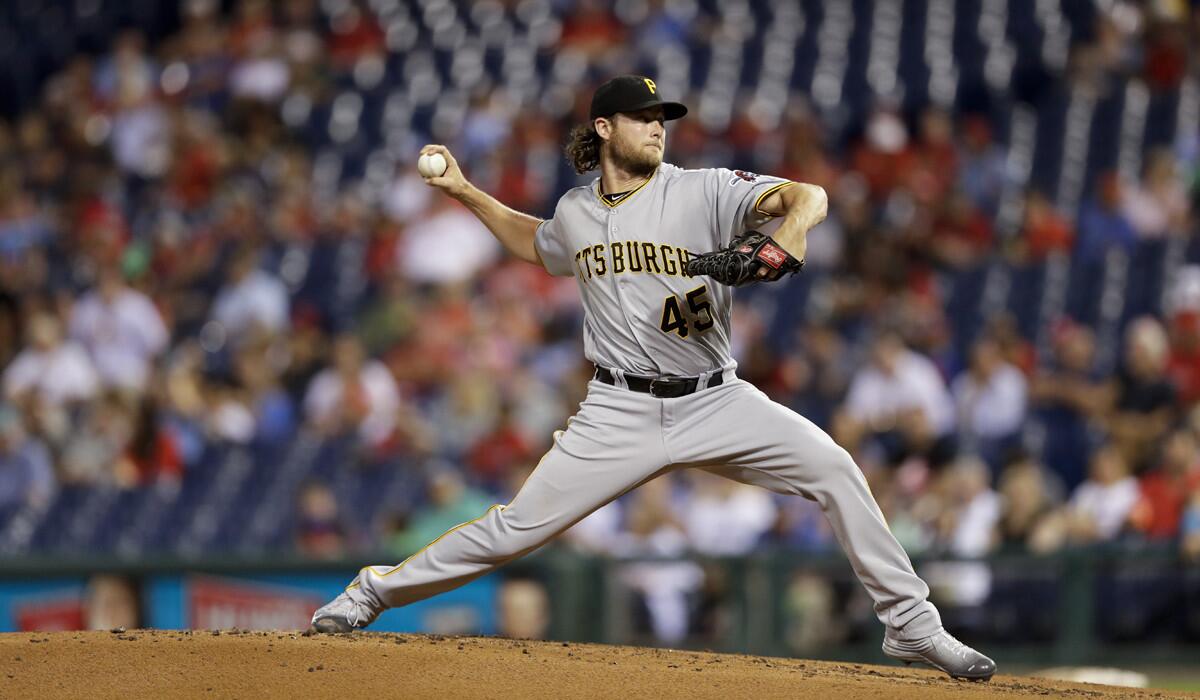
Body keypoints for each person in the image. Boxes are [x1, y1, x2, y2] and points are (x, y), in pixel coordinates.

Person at [308, 76, 995, 680]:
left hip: (717, 398)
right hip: (617, 410)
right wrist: (462, 191)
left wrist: (792, 234)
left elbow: (808, 194)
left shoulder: (704, 190)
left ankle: (911, 623)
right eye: (643, 117)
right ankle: (372, 592)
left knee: (836, 470)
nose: (657, 127)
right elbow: (533, 241)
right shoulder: (577, 213)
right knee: (514, 527)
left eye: (662, 117)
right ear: (605, 128)